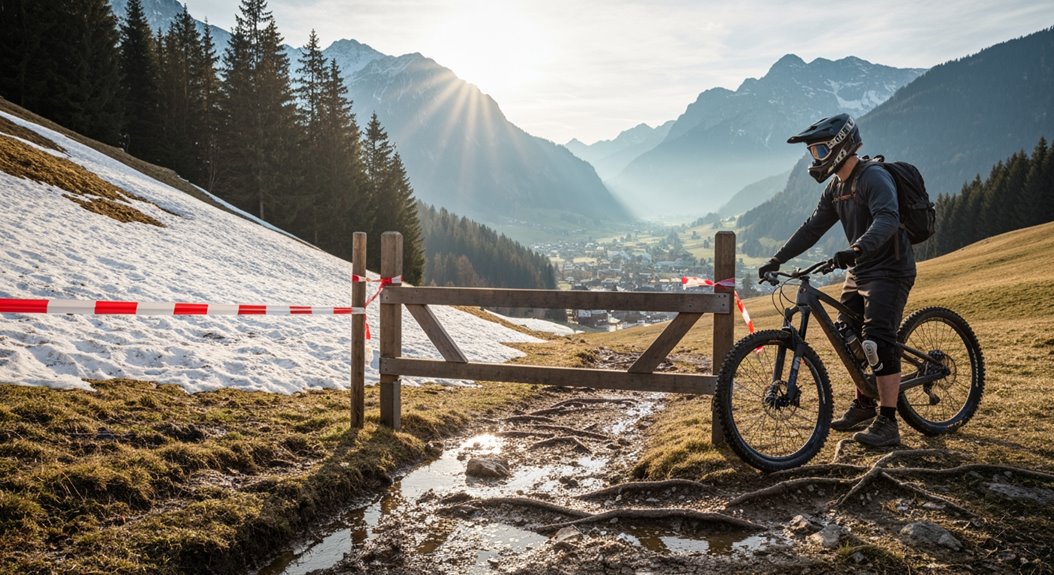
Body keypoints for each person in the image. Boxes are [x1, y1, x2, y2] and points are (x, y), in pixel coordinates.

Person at [758, 114, 916, 448]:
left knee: (877, 341)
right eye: (812, 152)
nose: (814, 158)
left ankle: (888, 422)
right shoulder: (836, 187)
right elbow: (812, 228)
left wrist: (858, 247)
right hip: (859, 270)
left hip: (890, 268)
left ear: (839, 146)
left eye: (818, 150)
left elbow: (888, 219)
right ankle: (864, 404)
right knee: (848, 337)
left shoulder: (873, 176)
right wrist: (777, 259)